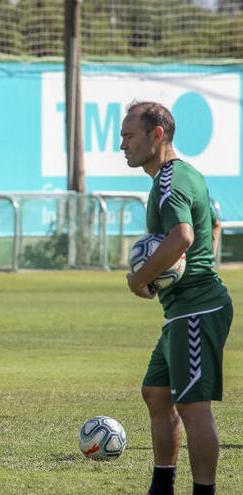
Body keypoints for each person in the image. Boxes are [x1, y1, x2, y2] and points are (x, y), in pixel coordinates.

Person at [122, 101, 234, 495]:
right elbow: (203, 229)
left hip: (198, 308)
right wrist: (162, 276)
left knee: (192, 406)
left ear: (157, 135)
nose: (123, 145)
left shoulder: (170, 181)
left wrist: (141, 279)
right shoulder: (175, 177)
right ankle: (162, 486)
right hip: (182, 310)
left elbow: (182, 237)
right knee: (156, 392)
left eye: (129, 136)